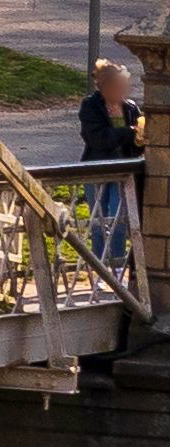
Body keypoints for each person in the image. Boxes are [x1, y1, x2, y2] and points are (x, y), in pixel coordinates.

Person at [89, 52, 145, 280]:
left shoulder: (131, 108)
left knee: (119, 217)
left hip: (123, 171)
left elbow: (136, 139)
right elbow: (98, 138)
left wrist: (141, 137)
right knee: (98, 218)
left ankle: (118, 266)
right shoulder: (91, 107)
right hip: (97, 168)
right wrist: (128, 133)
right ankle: (98, 266)